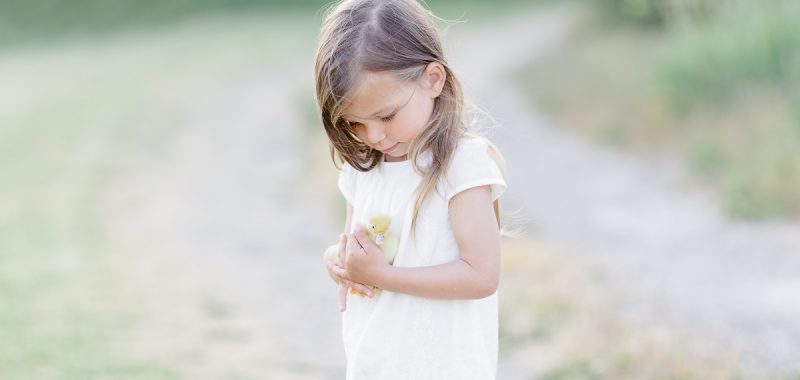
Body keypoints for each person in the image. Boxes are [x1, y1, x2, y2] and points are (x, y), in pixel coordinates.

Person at [315, 0, 507, 378]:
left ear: (432, 79)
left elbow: (481, 275)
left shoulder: (461, 165)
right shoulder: (364, 171)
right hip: (378, 361)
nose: (375, 136)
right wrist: (337, 261)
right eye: (355, 124)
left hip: (443, 365)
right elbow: (360, 250)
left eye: (386, 116)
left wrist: (383, 277)